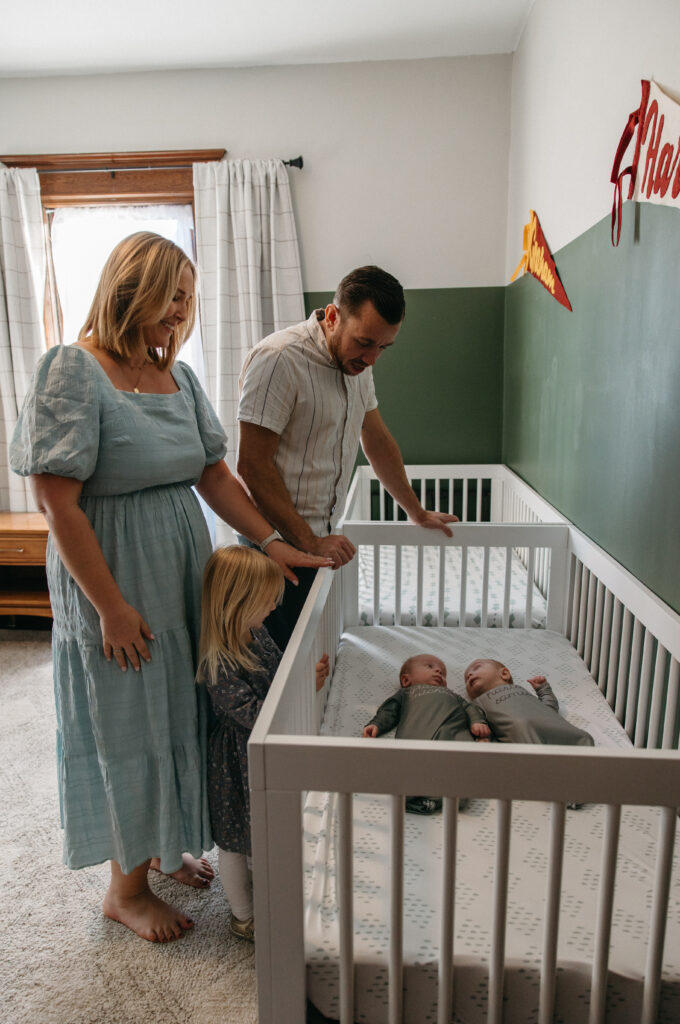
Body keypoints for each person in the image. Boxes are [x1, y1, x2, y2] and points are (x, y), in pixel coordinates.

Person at [10, 232, 331, 944]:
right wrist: (112, 610)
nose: (183, 311)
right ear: (132, 288)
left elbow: (214, 474)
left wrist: (273, 542)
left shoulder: (176, 380)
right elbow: (58, 504)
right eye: (173, 295)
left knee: (182, 711)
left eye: (190, 298)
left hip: (181, 572)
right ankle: (124, 890)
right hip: (113, 578)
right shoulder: (73, 368)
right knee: (129, 719)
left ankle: (157, 846)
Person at [237, 265, 457, 650]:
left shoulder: (357, 365)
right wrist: (310, 541)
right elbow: (252, 465)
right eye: (365, 342)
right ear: (333, 316)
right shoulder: (278, 359)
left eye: (383, 348)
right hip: (274, 549)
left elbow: (376, 439)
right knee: (282, 678)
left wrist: (416, 511)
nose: (372, 358)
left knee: (314, 668)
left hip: (317, 543)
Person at [198, 545, 329, 941]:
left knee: (263, 832)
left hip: (262, 747)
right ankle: (242, 914)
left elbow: (279, 673)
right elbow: (254, 713)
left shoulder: (258, 632)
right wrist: (301, 688)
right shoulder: (217, 661)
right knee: (236, 842)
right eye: (266, 602)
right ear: (237, 604)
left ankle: (269, 897)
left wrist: (307, 675)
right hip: (237, 759)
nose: (273, 608)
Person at [362, 653, 490, 813]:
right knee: (411, 767)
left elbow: (470, 708)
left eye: (443, 673)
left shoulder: (453, 695)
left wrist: (478, 722)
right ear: (406, 680)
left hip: (454, 731)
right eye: (430, 666)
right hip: (419, 733)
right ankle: (415, 798)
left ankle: (449, 798)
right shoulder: (407, 693)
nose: (438, 672)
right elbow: (389, 710)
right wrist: (376, 724)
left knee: (463, 767)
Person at [463, 659, 595, 745]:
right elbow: (478, 721)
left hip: (550, 722)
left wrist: (543, 689)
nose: (469, 675)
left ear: (504, 674)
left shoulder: (521, 690)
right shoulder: (478, 702)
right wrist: (482, 736)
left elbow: (548, 708)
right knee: (524, 734)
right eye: (466, 679)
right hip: (523, 731)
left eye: (476, 668)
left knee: (582, 737)